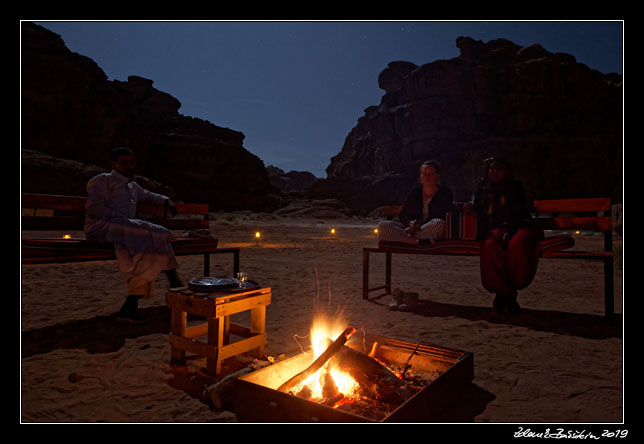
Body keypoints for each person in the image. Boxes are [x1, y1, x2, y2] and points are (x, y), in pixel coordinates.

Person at [84, 147, 184, 323]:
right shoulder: (103, 180)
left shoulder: (132, 186)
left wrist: (166, 200)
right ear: (114, 164)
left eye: (132, 162)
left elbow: (148, 195)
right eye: (124, 163)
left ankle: (130, 306)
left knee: (152, 244)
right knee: (157, 234)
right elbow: (94, 208)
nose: (129, 166)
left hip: (127, 230)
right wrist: (123, 220)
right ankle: (174, 282)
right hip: (102, 227)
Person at [464, 157, 543, 315]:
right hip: (496, 228)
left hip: (519, 225)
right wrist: (471, 208)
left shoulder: (515, 187)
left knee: (517, 247)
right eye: (492, 169)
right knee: (490, 247)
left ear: (506, 171)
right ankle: (504, 292)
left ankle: (513, 287)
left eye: (499, 169)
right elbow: (480, 210)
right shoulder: (483, 188)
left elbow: (519, 211)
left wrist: (510, 229)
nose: (494, 172)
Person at [377, 160, 454, 245]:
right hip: (412, 229)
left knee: (439, 224)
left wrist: (417, 226)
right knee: (383, 225)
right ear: (421, 176)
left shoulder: (445, 193)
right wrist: (410, 223)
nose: (427, 177)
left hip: (428, 228)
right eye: (424, 174)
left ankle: (407, 239)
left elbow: (442, 215)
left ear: (437, 176)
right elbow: (404, 214)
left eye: (430, 174)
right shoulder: (415, 192)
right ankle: (417, 242)